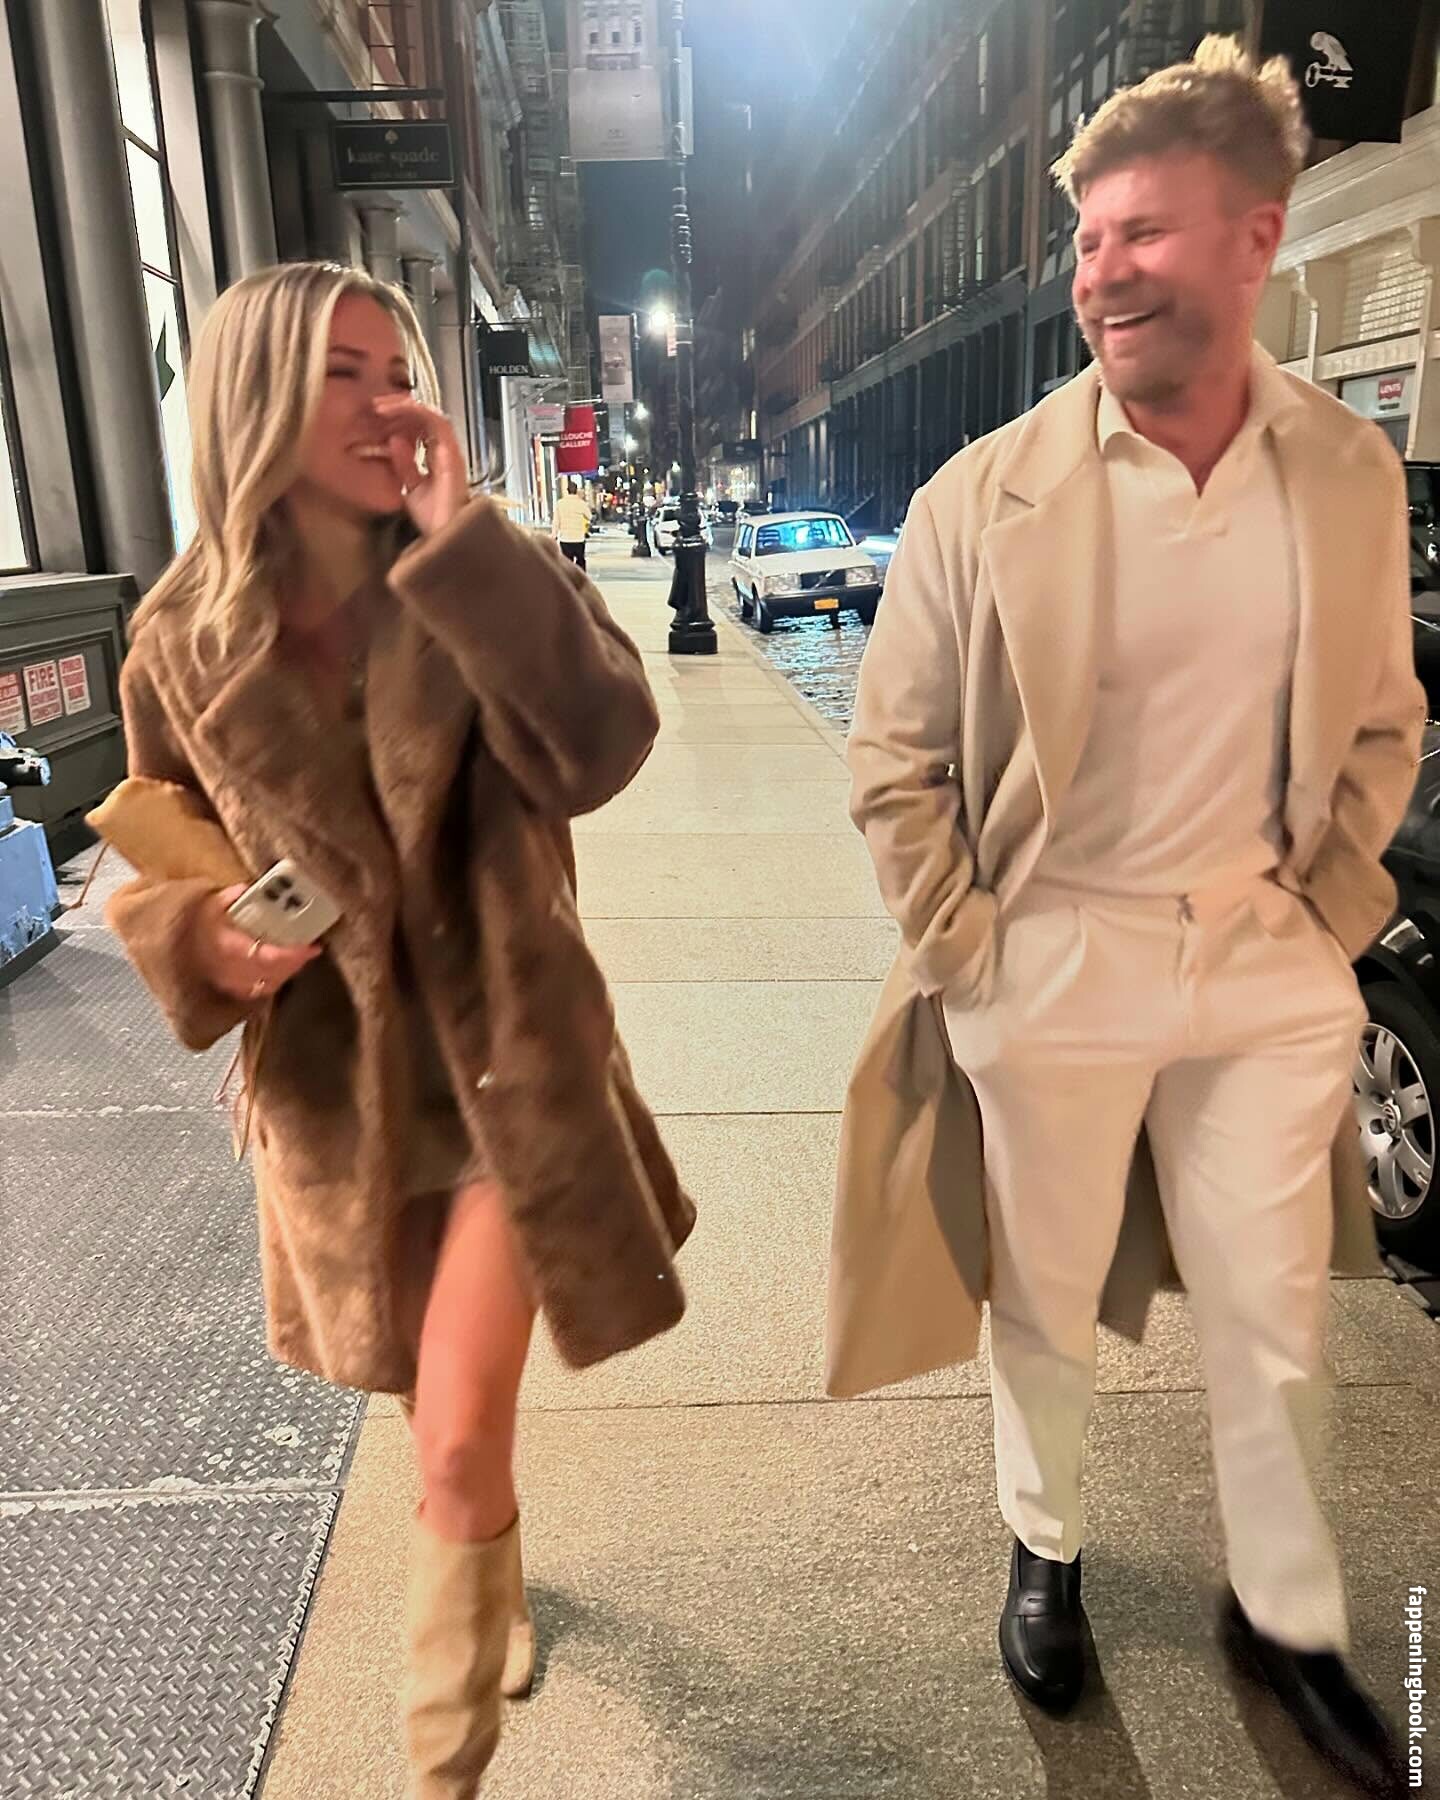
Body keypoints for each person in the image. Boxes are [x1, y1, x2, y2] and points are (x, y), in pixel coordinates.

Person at [827, 38, 1418, 1796]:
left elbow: (1382, 724)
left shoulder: (1347, 473)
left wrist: (1327, 914)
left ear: (1257, 236)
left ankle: (1285, 1616)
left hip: (1260, 951)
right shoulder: (984, 493)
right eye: (1087, 240)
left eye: (1141, 231)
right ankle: (1047, 1547)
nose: (1101, 272)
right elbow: (896, 759)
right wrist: (973, 960)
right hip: (1054, 954)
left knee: (1275, 1301)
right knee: (1048, 1290)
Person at [106, 262, 694, 1798]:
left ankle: (439, 1773)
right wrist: (203, 938)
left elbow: (603, 749)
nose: (389, 405)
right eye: (344, 375)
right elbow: (156, 852)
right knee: (444, 1411)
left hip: (511, 1072)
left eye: (399, 371)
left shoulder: (477, 570)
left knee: (450, 1438)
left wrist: (465, 547)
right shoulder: (177, 640)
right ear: (256, 401)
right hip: (337, 1091)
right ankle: (493, 1564)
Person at [552, 480, 592, 569]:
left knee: (566, 563)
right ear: (576, 490)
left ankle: (568, 577)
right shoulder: (581, 503)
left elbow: (556, 521)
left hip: (565, 538)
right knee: (580, 561)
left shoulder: (560, 503)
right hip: (579, 538)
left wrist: (554, 535)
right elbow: (589, 517)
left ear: (567, 490)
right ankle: (580, 576)